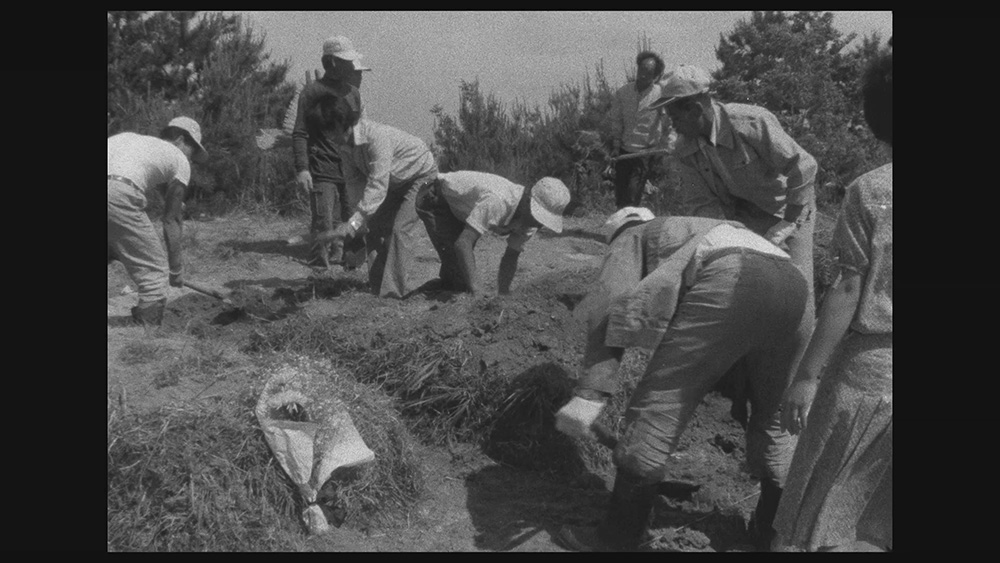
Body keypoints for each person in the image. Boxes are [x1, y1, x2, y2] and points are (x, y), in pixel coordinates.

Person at [554, 209, 810, 552]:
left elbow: (608, 302)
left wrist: (590, 391)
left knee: (660, 404)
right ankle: (771, 535)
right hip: (796, 287)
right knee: (775, 416)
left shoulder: (633, 236)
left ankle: (618, 537)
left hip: (736, 278)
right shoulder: (703, 229)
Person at [772, 45, 892, 553]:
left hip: (865, 379)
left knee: (817, 517)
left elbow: (846, 290)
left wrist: (806, 375)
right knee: (880, 524)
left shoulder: (873, 192)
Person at [650, 64, 819, 342]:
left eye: (673, 115)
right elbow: (702, 204)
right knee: (743, 292)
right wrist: (728, 239)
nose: (671, 124)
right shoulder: (684, 149)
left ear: (694, 109)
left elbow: (804, 167)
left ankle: (798, 377)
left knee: (798, 300)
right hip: (743, 216)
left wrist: (788, 222)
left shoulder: (750, 122)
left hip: (789, 209)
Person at [316, 95, 439, 299]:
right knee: (373, 229)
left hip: (422, 176)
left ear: (339, 124)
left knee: (401, 229)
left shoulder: (376, 137)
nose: (327, 137)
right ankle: (378, 289)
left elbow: (377, 184)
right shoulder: (345, 149)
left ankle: (392, 294)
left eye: (328, 131)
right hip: (395, 182)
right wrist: (357, 222)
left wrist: (354, 221)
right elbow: (355, 184)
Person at [108, 116, 207, 326]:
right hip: (115, 193)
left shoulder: (129, 140)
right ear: (181, 140)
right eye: (192, 152)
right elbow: (171, 221)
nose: (190, 159)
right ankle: (147, 330)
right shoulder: (178, 158)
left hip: (114, 191)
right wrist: (175, 269)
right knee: (154, 271)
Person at [415, 171, 570, 295]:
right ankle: (430, 293)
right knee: (464, 282)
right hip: (435, 197)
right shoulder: (498, 201)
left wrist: (503, 293)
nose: (539, 225)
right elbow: (463, 244)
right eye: (538, 217)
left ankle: (446, 283)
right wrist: (477, 290)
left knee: (460, 273)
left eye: (542, 221)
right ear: (528, 201)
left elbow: (511, 255)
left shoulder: (530, 223)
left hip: (462, 210)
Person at [292, 35, 369, 270]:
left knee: (353, 219)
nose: (351, 66)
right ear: (333, 63)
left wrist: (365, 165)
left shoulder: (353, 93)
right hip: (322, 167)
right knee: (323, 221)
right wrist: (303, 169)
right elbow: (300, 133)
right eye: (346, 61)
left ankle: (351, 266)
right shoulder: (312, 93)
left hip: (351, 169)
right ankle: (318, 270)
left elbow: (360, 132)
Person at [609, 51, 671, 209]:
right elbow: (616, 121)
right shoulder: (623, 93)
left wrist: (668, 144)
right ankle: (621, 227)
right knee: (621, 194)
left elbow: (668, 122)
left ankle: (629, 228)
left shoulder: (660, 94)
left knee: (633, 193)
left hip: (644, 153)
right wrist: (616, 146)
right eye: (641, 70)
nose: (643, 75)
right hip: (624, 151)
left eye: (648, 73)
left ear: (655, 76)